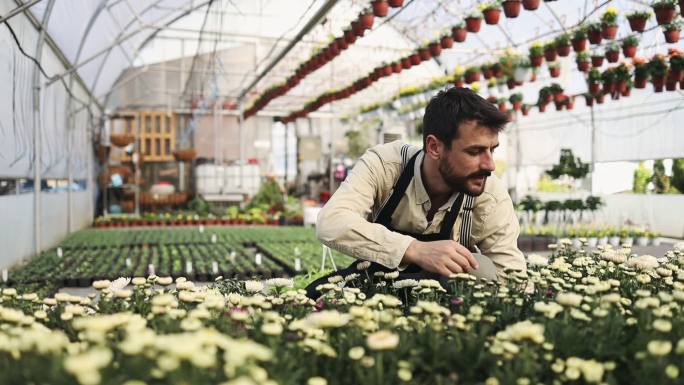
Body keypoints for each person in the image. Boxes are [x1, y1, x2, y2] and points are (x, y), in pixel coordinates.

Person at [306, 87, 526, 298]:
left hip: (441, 298)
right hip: (376, 286)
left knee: (483, 272)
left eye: (492, 150)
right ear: (434, 147)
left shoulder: (489, 193)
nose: (490, 165)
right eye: (475, 151)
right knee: (317, 296)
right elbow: (331, 222)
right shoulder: (387, 165)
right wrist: (415, 250)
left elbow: (512, 277)